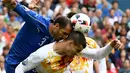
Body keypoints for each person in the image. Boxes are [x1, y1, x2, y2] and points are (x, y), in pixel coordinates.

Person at [3, 0, 72, 73]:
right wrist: (10, 2)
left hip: (31, 69)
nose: (64, 37)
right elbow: (15, 5)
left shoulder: (57, 37)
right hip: (14, 65)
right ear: (57, 26)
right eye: (64, 33)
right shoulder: (37, 21)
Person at [15, 34, 122, 73]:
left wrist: (111, 45)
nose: (76, 55)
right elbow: (20, 68)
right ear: (70, 43)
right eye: (76, 51)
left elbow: (98, 55)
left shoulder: (75, 49)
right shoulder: (43, 54)